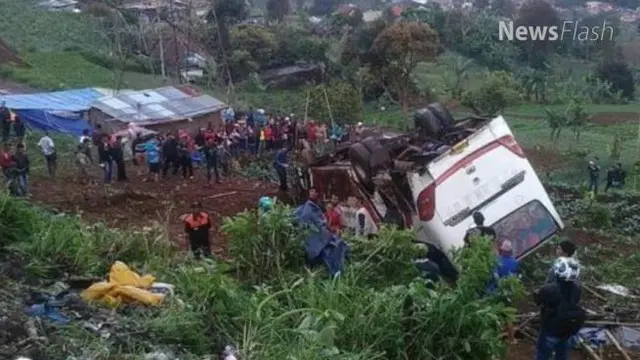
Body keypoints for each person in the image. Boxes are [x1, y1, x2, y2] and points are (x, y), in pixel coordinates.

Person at [535, 257, 585, 360]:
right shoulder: (577, 290)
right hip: (566, 332)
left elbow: (538, 301)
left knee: (542, 355)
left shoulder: (549, 289)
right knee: (562, 356)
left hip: (550, 330)